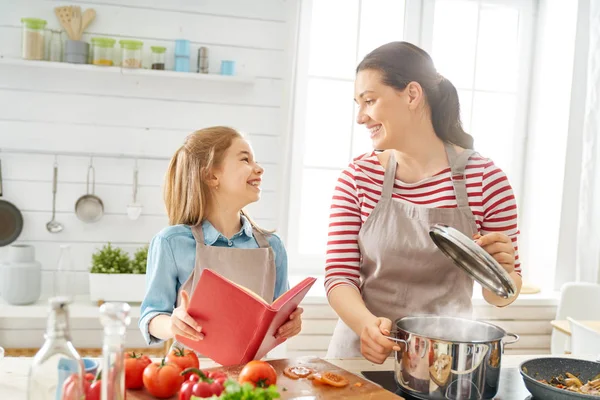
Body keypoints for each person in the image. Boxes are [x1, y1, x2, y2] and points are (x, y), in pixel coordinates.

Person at [324, 42, 522, 363]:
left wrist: (503, 273)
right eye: (358, 104)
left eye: (369, 101)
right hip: (361, 353)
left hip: (444, 362)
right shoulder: (357, 177)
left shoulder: (486, 180)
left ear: (412, 95)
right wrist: (366, 327)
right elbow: (339, 275)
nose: (361, 117)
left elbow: (502, 294)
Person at [139, 126, 303, 352]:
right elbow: (151, 316)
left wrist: (291, 323)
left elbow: (280, 316)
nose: (259, 169)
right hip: (191, 377)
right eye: (245, 159)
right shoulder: (171, 242)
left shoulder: (272, 246)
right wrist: (171, 324)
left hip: (255, 377)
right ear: (212, 175)